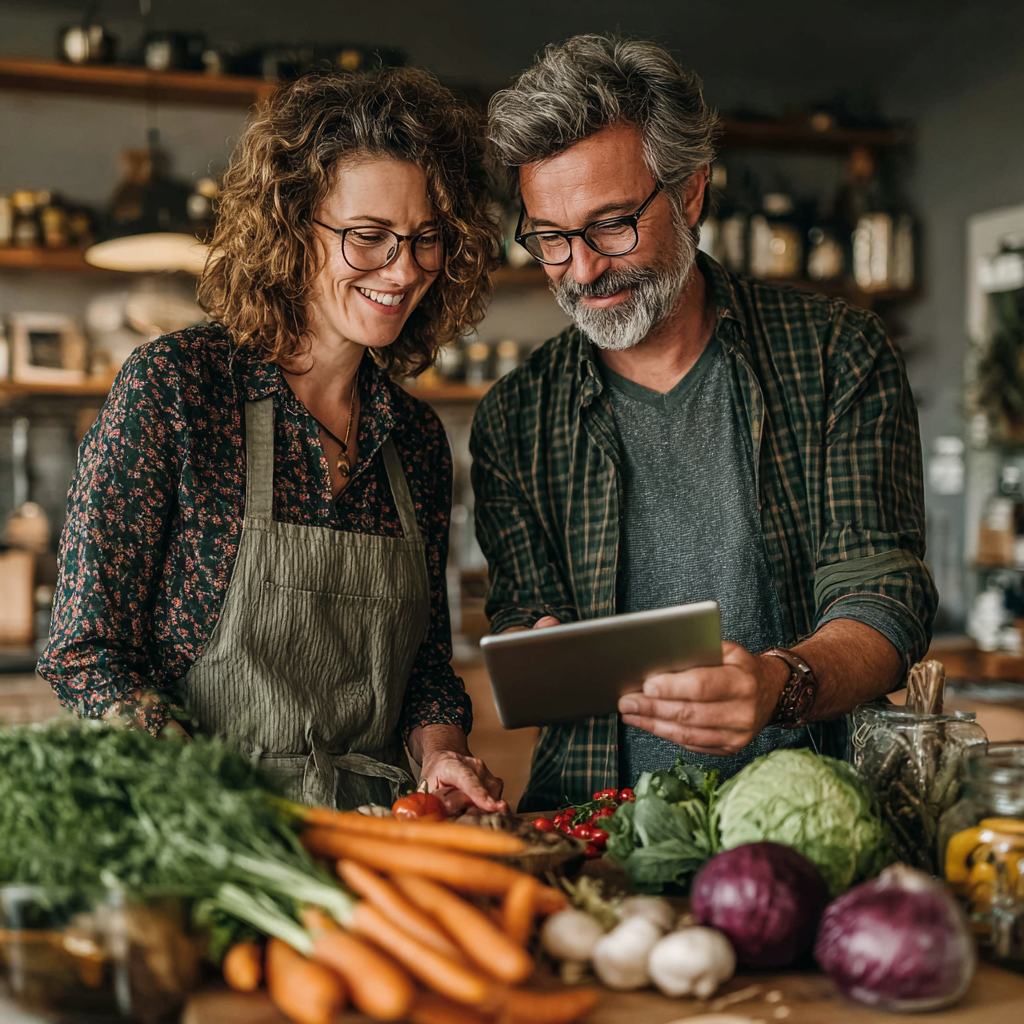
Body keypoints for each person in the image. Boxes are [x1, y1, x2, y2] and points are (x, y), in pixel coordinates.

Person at [472, 34, 938, 811]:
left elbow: (882, 597)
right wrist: (535, 642)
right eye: (550, 238)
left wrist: (780, 685)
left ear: (689, 193)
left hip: (814, 816)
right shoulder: (515, 418)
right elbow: (524, 611)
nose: (582, 269)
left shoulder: (835, 355)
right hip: (596, 829)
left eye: (611, 224)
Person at [40, 67, 506, 815]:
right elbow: (86, 653)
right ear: (292, 226)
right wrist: (201, 792)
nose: (405, 268)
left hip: (373, 841)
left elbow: (422, 668)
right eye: (368, 237)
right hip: (204, 834)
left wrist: (444, 752)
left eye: (426, 239)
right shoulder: (179, 389)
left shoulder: (413, 439)